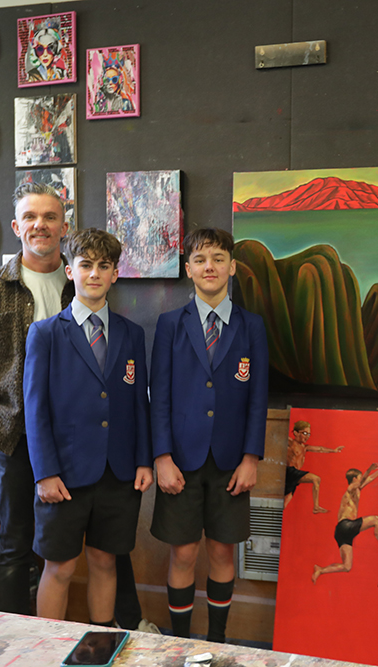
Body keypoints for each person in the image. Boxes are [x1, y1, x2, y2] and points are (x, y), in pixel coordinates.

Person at [0, 183, 154, 631]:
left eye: (51, 216)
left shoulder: (78, 281)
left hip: (91, 448)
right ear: (18, 226)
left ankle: (116, 633)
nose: (41, 224)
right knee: (21, 547)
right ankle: (26, 643)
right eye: (31, 217)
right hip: (19, 442)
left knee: (105, 553)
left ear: (64, 226)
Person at [23, 228, 153, 625]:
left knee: (104, 561)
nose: (94, 274)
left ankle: (101, 645)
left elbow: (138, 404)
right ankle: (46, 650)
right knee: (59, 568)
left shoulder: (132, 334)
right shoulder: (45, 333)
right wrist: (44, 473)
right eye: (85, 265)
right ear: (70, 271)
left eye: (104, 266)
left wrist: (145, 460)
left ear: (115, 274)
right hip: (63, 476)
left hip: (118, 472)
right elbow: (35, 409)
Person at [150, 228, 269, 642]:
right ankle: (181, 641)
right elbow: (159, 396)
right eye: (201, 260)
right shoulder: (169, 325)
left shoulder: (252, 327)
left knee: (221, 550)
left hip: (231, 462)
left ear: (232, 267)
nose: (210, 267)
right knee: (183, 552)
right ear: (189, 270)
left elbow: (258, 395)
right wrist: (161, 456)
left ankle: (217, 640)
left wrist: (252, 457)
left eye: (219, 258)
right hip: (180, 461)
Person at [312, 462, 378, 582]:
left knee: (347, 566)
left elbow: (370, 478)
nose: (362, 480)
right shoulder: (350, 488)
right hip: (347, 525)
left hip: (341, 532)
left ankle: (320, 570)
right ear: (354, 479)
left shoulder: (356, 489)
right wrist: (368, 469)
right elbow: (364, 479)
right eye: (359, 478)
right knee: (376, 520)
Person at [284, 420, 343, 513]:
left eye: (308, 434)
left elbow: (320, 449)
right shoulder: (291, 443)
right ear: (295, 433)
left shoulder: (305, 447)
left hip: (294, 477)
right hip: (290, 472)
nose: (307, 436)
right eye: (304, 433)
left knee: (284, 503)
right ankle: (316, 507)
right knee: (316, 479)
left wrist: (334, 450)